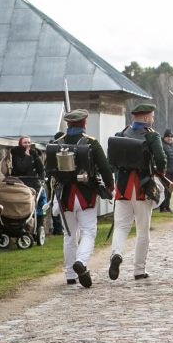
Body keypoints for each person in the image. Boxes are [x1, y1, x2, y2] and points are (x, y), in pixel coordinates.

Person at [52, 109, 114, 288]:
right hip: (86, 195)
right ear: (84, 123)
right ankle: (81, 261)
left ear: (68, 124)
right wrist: (110, 187)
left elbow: (51, 171)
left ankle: (70, 275)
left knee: (69, 235)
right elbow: (105, 168)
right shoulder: (91, 143)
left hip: (65, 196)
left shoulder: (57, 143)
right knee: (88, 232)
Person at [107, 103, 167, 282]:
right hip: (142, 187)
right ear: (147, 118)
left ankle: (116, 254)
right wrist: (160, 171)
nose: (153, 119)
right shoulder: (152, 135)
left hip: (123, 187)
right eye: (152, 116)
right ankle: (139, 270)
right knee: (143, 231)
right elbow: (161, 159)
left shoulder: (121, 134)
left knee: (121, 226)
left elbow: (112, 163)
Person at [10, 135, 48, 230]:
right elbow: (21, 169)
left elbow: (41, 169)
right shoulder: (16, 154)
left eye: (29, 142)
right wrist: (27, 157)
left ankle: (39, 225)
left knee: (41, 200)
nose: (27, 145)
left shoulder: (33, 153)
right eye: (25, 142)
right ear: (20, 144)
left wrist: (35, 157)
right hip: (23, 183)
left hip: (34, 182)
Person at [159, 129, 173, 212]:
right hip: (165, 171)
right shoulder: (161, 145)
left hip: (172, 171)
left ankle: (167, 206)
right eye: (168, 136)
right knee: (164, 190)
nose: (170, 138)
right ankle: (162, 207)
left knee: (170, 190)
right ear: (164, 137)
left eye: (171, 136)